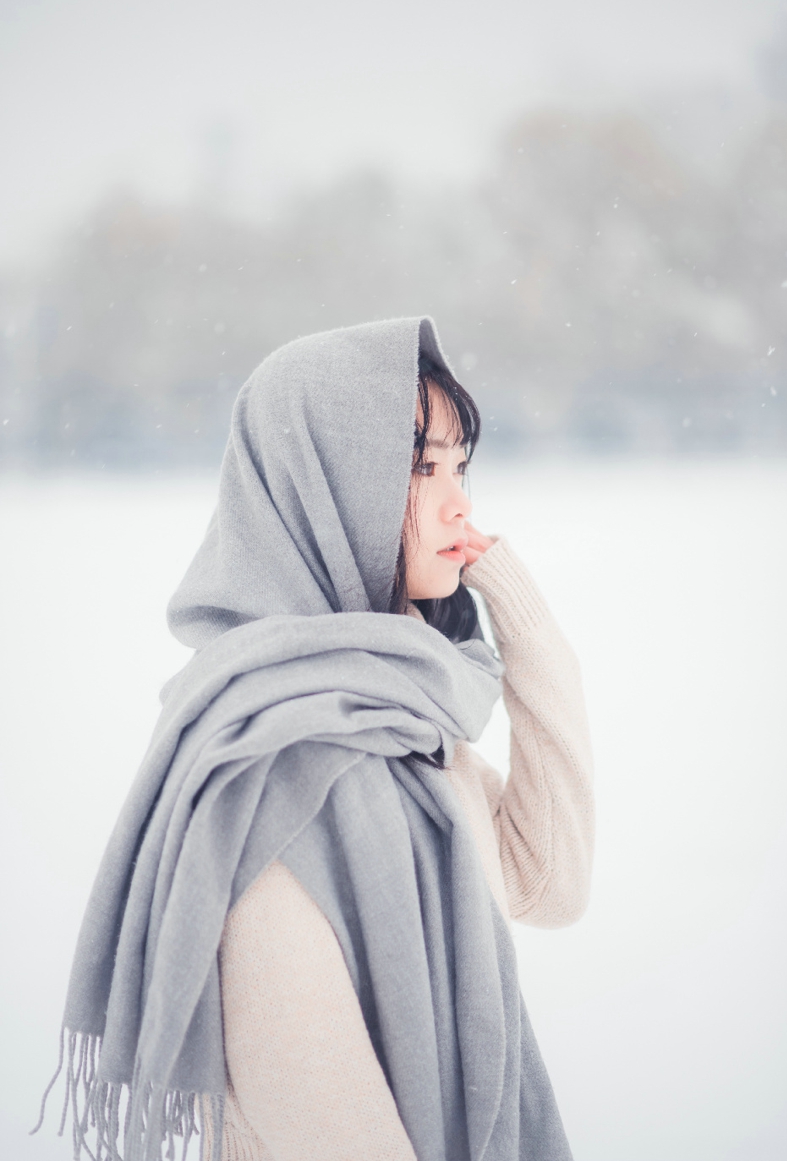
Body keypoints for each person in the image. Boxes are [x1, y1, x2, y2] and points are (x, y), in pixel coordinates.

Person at [41, 316, 594, 1161]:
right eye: (420, 470)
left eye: (459, 466)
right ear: (327, 485)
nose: (460, 503)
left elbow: (549, 885)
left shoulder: (399, 720)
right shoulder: (275, 767)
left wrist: (526, 623)